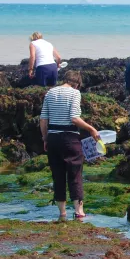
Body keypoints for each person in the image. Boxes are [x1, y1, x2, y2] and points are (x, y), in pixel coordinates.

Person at [39, 71, 100, 220]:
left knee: (58, 175)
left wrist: (45, 138)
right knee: (75, 174)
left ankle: (62, 213)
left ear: (65, 80)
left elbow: (43, 119)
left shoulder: (50, 92)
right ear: (77, 84)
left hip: (53, 138)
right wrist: (91, 129)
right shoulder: (74, 93)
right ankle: (79, 212)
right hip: (70, 138)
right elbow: (74, 118)